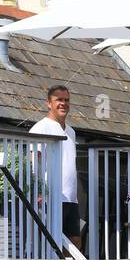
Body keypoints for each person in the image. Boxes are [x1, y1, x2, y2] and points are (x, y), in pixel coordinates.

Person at [29, 85, 82, 249]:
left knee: (75, 245)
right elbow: (33, 161)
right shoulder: (41, 127)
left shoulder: (71, 132)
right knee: (54, 245)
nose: (63, 103)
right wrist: (38, 190)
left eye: (66, 100)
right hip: (50, 197)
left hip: (71, 198)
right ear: (48, 103)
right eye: (59, 99)